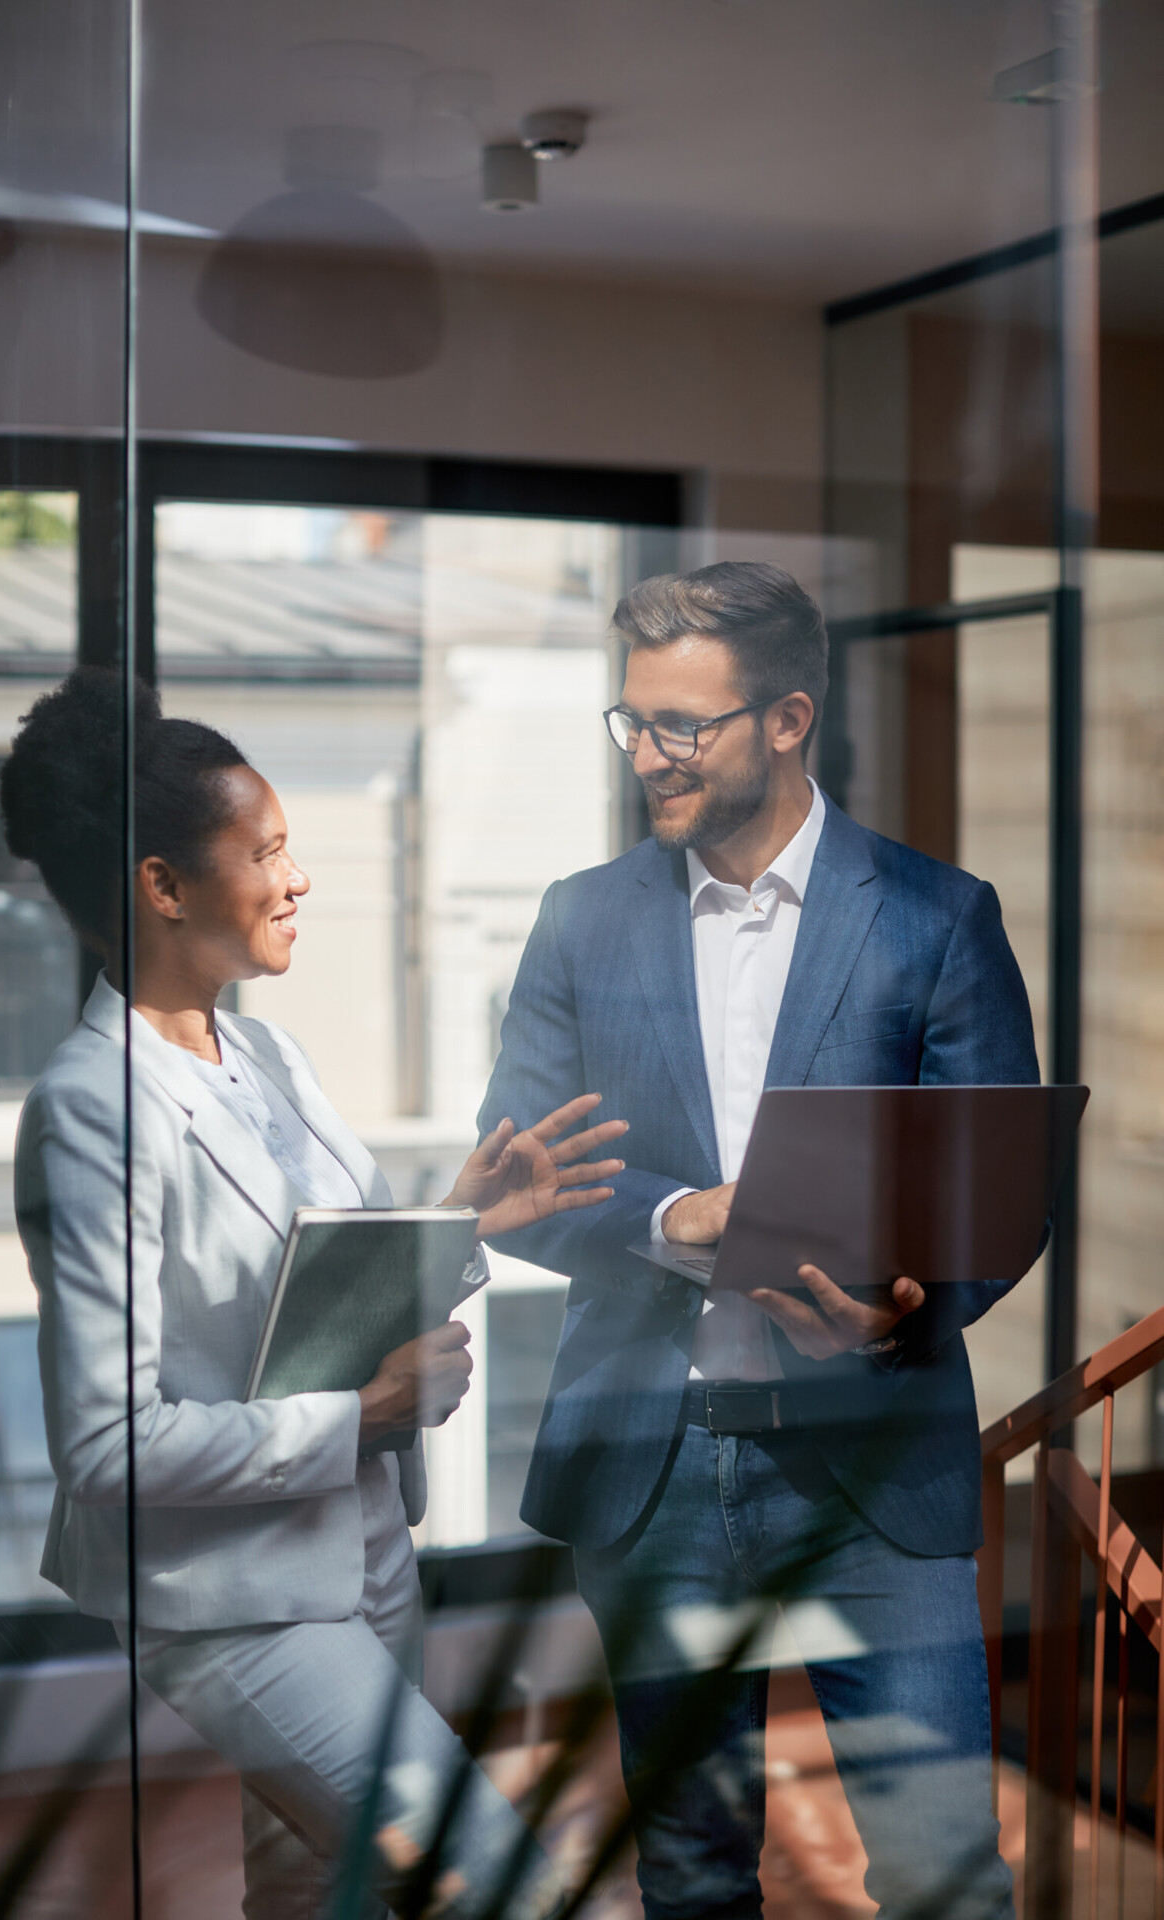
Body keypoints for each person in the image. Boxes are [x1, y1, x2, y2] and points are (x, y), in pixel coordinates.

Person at [3, 668, 629, 1920]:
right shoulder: (91, 1108)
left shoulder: (265, 1050)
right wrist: (362, 1416)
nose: (298, 879)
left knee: (311, 1895)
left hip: (355, 1554)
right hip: (235, 1602)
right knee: (495, 1883)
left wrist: (465, 1218)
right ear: (162, 887)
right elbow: (103, 1443)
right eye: (268, 851)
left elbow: (316, 1292)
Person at [477, 561, 1038, 1920]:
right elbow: (521, 1170)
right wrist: (681, 1214)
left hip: (874, 1467)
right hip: (653, 1472)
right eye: (633, 722)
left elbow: (1001, 1186)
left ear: (786, 721)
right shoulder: (581, 917)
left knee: (942, 1869)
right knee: (690, 1867)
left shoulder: (935, 916)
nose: (648, 756)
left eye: (682, 726)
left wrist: (908, 1301)